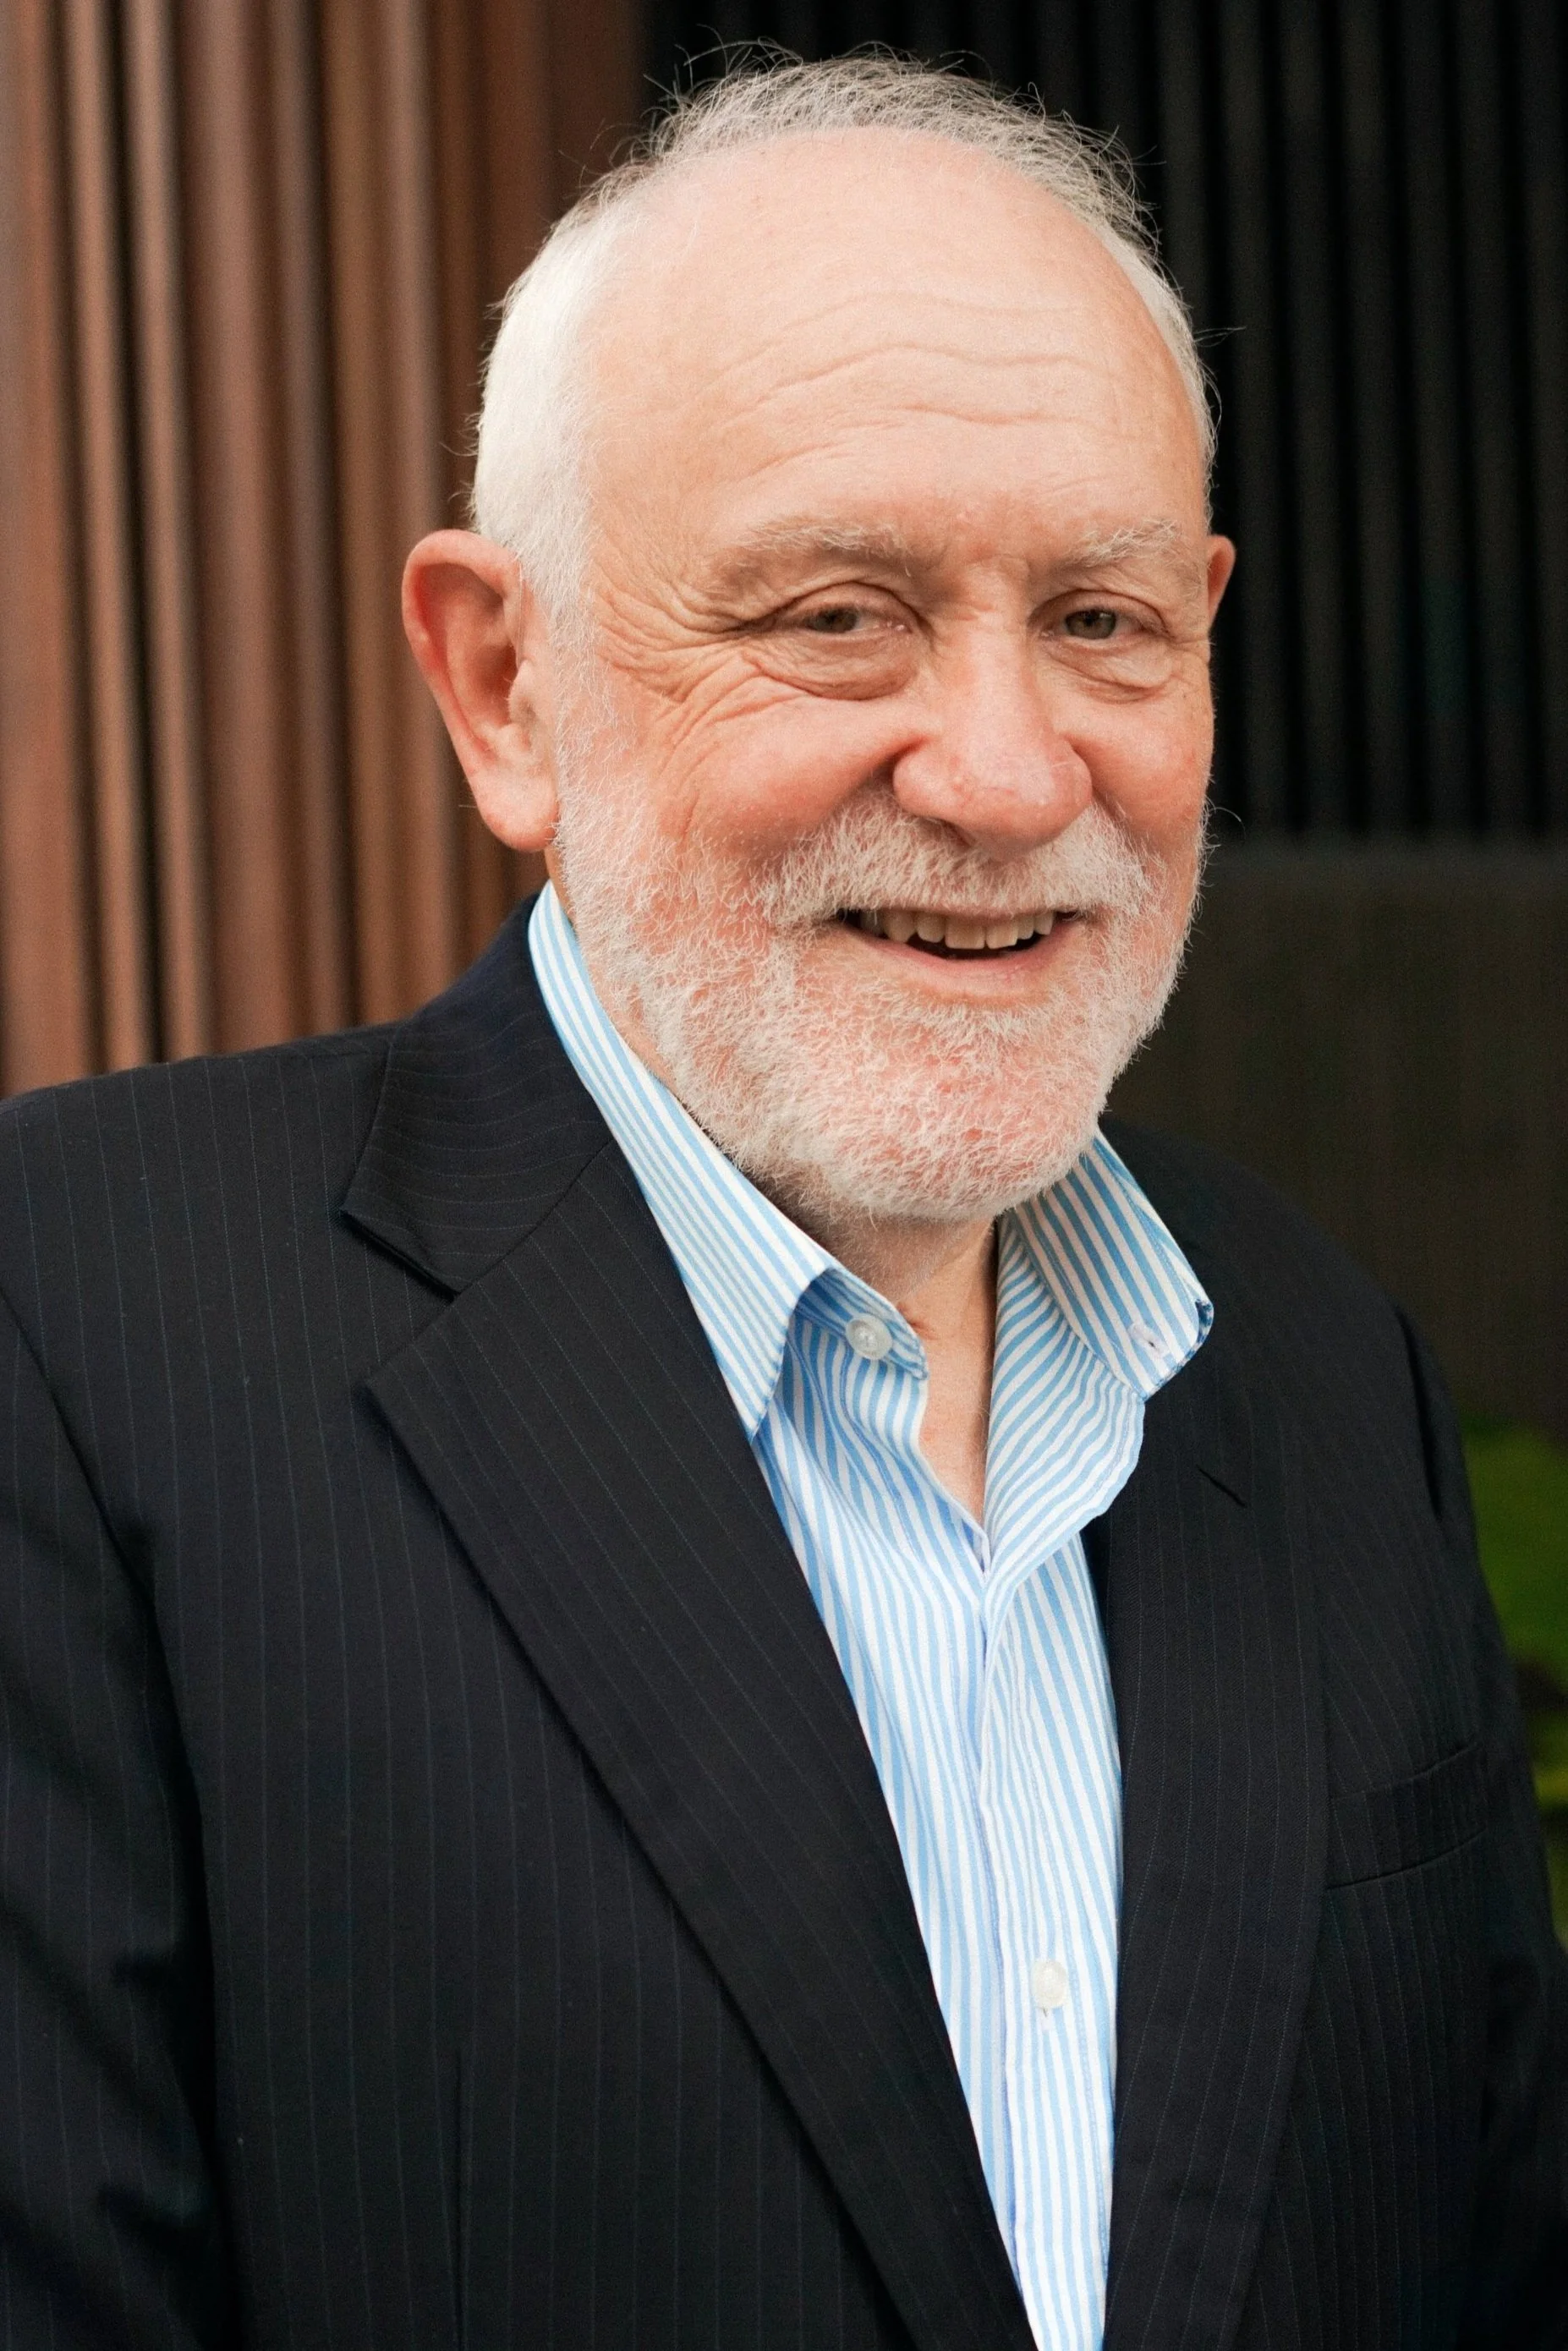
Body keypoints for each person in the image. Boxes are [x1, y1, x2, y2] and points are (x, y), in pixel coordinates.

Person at [1, 55, 1562, 2351]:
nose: (1007, 772)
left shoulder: (1327, 1378)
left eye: (1103, 619)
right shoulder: (78, 1338)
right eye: (839, 615)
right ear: (503, 684)